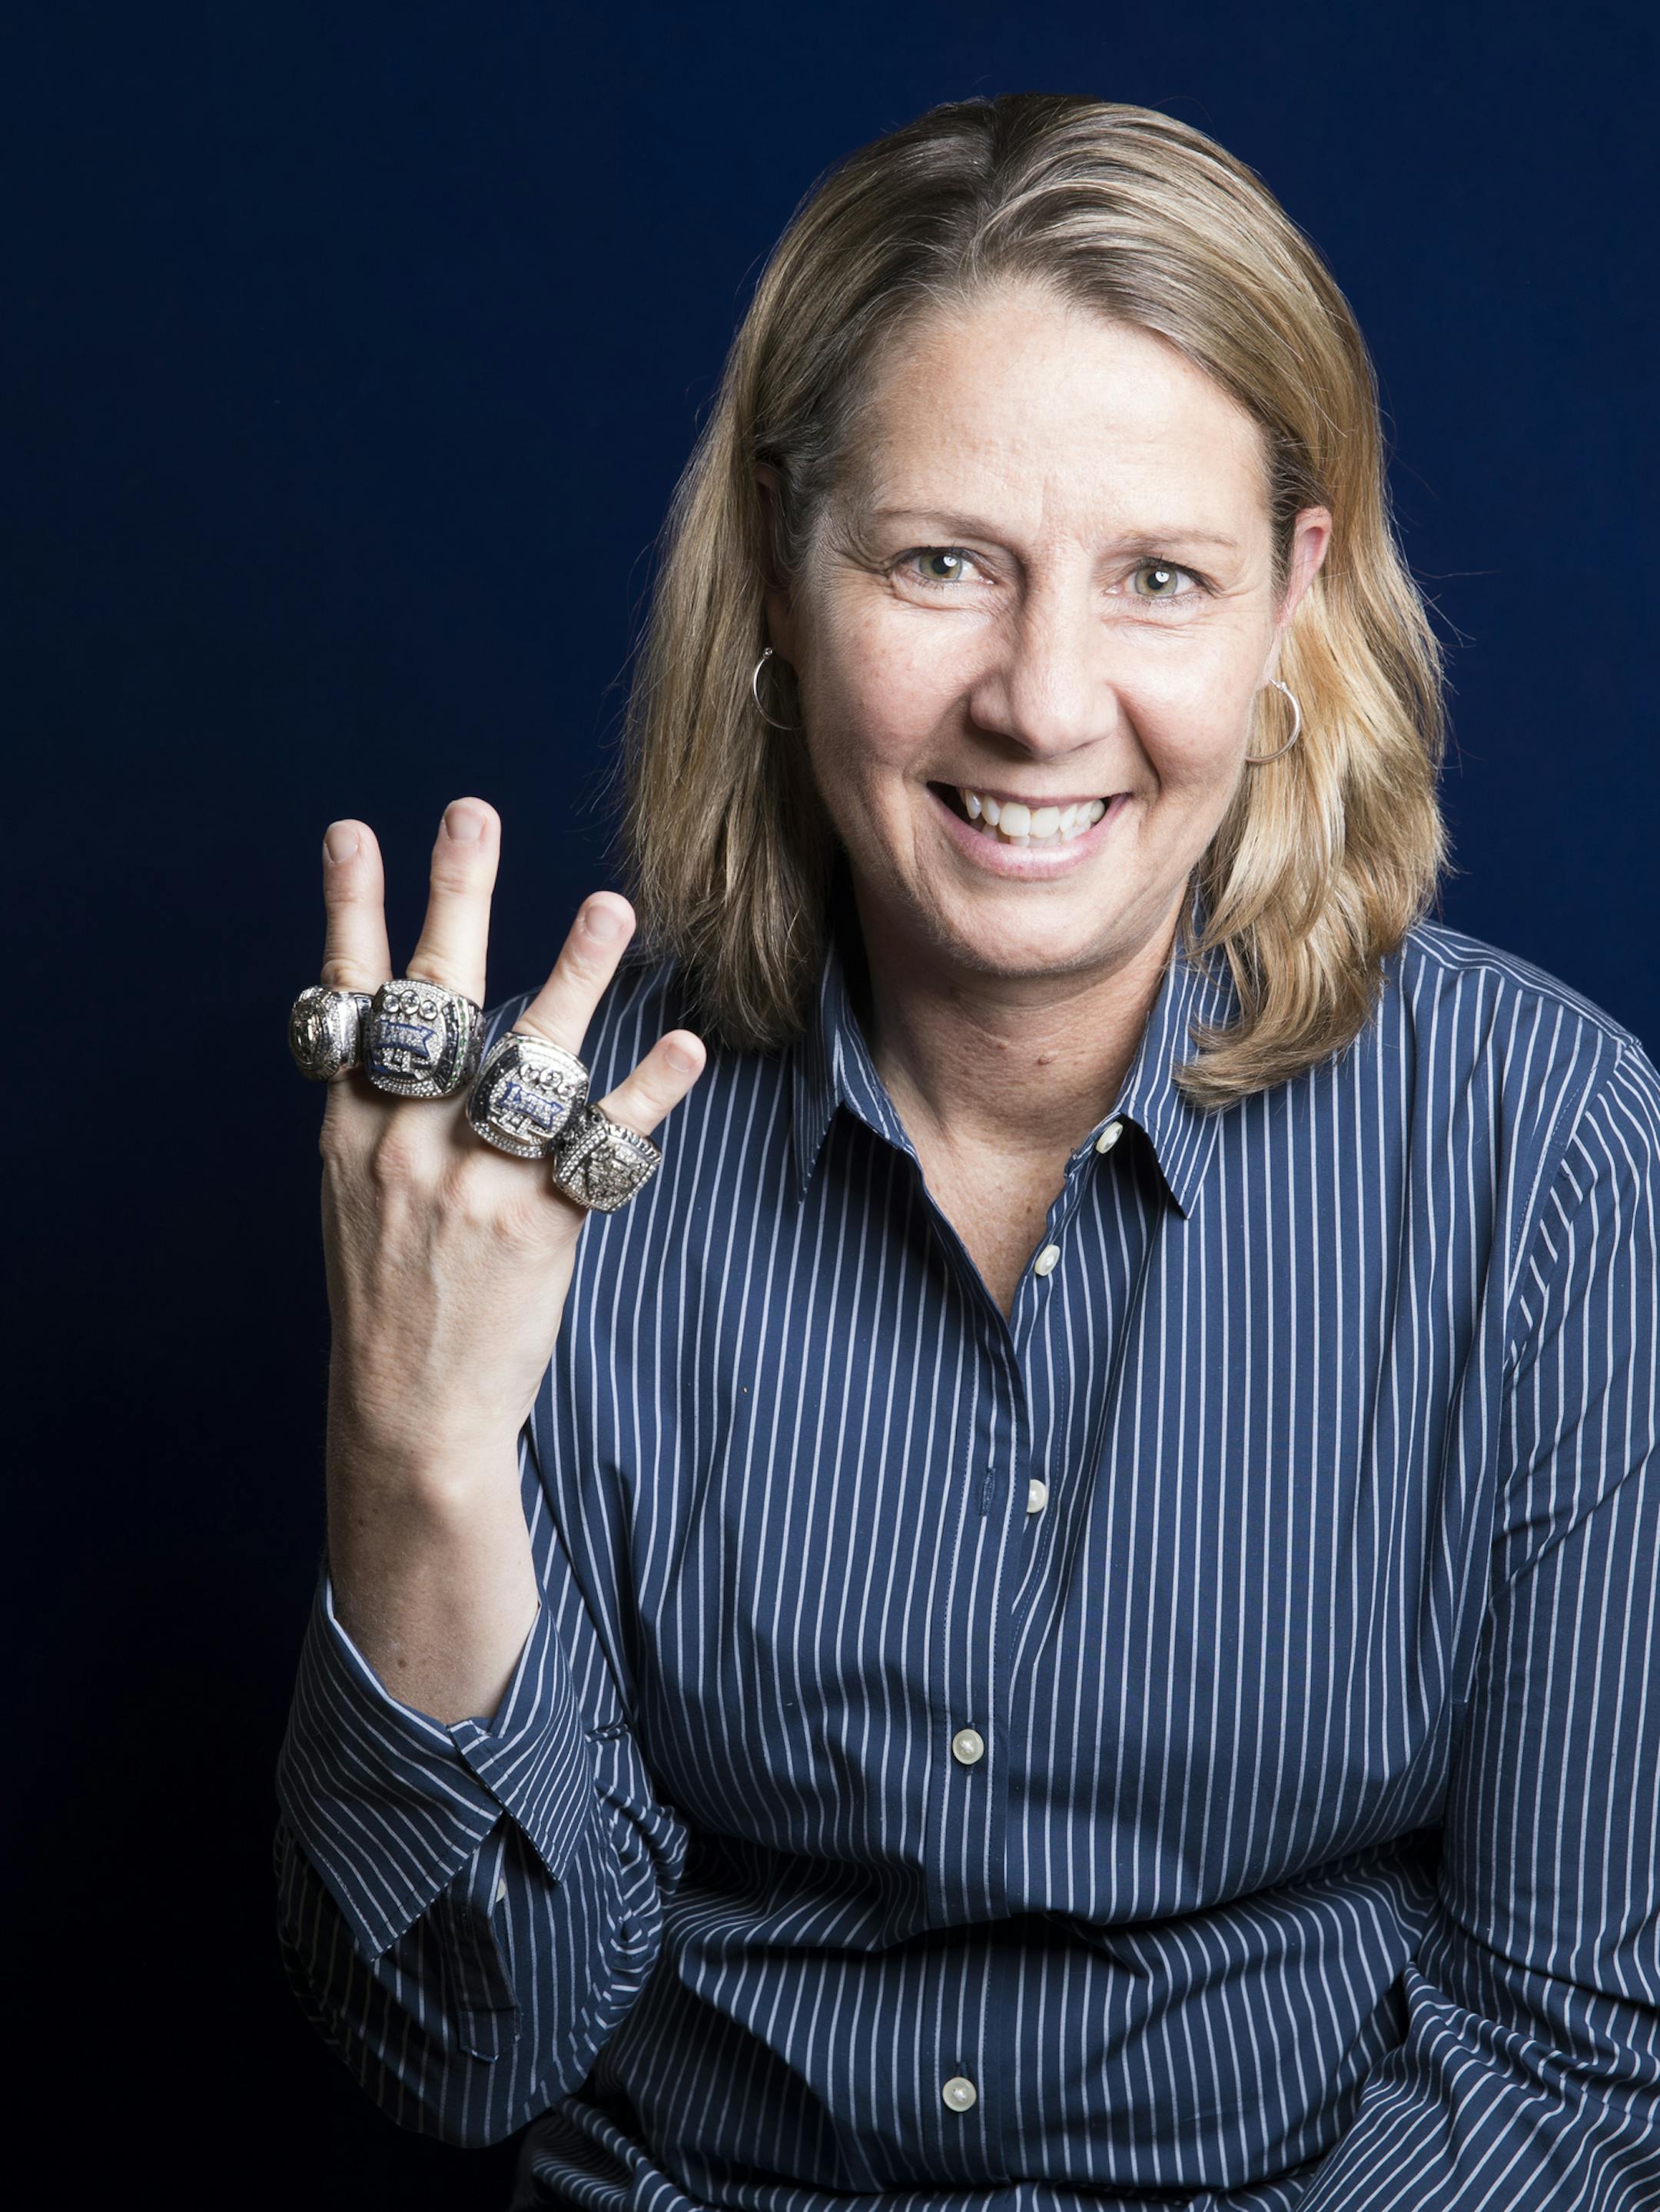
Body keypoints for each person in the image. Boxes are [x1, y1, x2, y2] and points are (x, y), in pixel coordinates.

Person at [275, 92, 1660, 2212]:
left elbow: (1567, 2064)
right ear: (779, 564)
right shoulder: (532, 1162)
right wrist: (416, 1448)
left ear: (1294, 596)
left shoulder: (1548, 1164)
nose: (1043, 698)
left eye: (1158, 580)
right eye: (943, 564)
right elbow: (472, 2044)